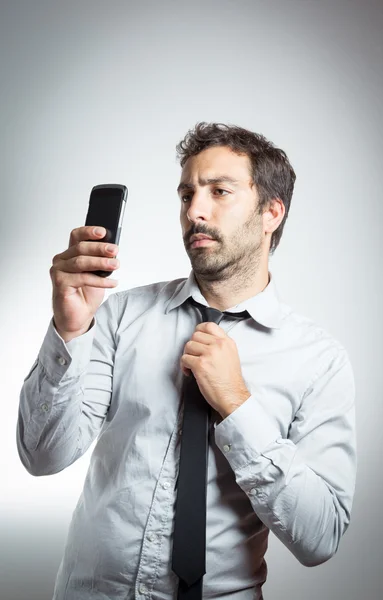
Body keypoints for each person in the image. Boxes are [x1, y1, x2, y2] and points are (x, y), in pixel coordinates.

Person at [16, 122, 357, 600]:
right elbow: (42, 456)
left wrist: (238, 405)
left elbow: (320, 538)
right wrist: (70, 331)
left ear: (271, 213)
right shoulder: (118, 316)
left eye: (220, 191)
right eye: (186, 195)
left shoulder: (318, 361)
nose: (195, 211)